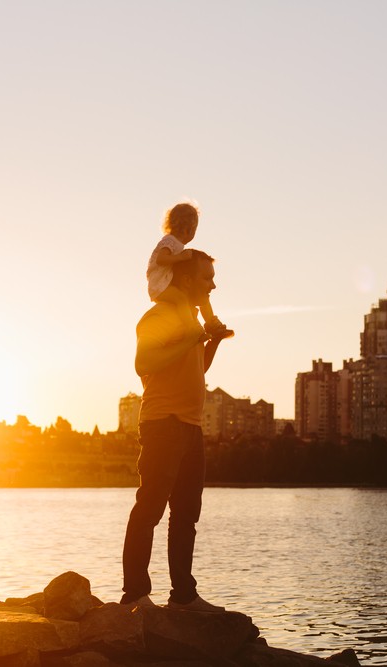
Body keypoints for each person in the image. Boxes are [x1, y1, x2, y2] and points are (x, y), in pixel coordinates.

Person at [121, 249, 230, 612]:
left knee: (186, 515)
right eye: (206, 277)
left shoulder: (190, 319)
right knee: (149, 508)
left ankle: (183, 596)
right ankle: (135, 595)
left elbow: (197, 367)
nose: (212, 284)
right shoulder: (160, 315)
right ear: (186, 279)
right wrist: (192, 337)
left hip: (190, 426)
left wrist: (210, 340)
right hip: (162, 423)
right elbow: (144, 363)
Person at [147, 202, 232, 338]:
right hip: (160, 285)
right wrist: (180, 257)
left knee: (201, 296)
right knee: (181, 299)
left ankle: (211, 323)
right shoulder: (170, 241)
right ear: (189, 229)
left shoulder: (176, 244)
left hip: (167, 281)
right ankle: (191, 329)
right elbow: (160, 259)